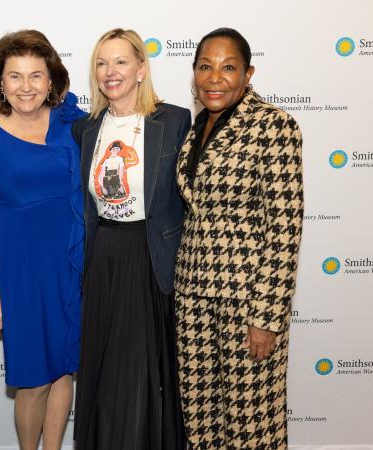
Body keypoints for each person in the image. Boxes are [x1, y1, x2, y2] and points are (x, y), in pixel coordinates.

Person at [175, 28, 303, 449]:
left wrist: (266, 317)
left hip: (247, 303)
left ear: (248, 74)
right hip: (193, 296)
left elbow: (285, 230)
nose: (215, 78)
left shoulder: (274, 127)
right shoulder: (196, 128)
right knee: (201, 418)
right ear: (193, 73)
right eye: (205, 67)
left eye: (228, 67)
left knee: (253, 426)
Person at [0, 30, 85, 450]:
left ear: (52, 80)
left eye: (36, 75)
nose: (26, 86)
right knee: (33, 379)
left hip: (70, 266)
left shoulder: (73, 124)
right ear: (1, 83)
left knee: (64, 371)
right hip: (19, 275)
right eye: (15, 76)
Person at [73, 28, 191, 450]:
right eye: (102, 63)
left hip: (150, 257)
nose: (110, 72)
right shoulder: (85, 129)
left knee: (139, 372)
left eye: (121, 61)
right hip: (103, 256)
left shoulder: (174, 120)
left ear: (141, 69)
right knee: (104, 372)